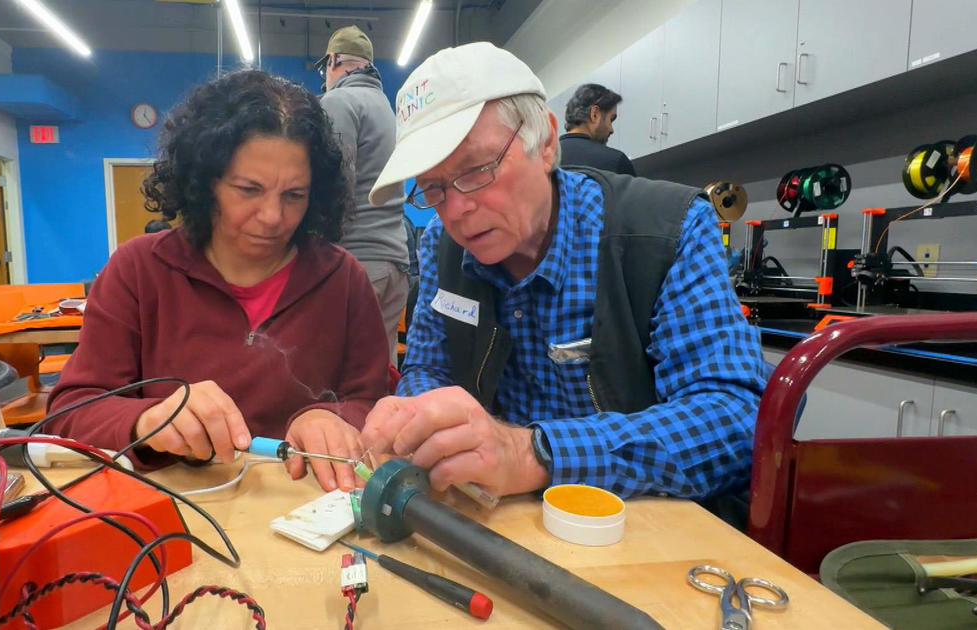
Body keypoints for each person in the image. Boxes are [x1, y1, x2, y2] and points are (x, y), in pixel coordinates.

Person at [360, 43, 765, 504]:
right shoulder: (440, 244)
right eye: (432, 187)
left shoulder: (667, 232)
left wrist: (533, 455)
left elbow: (734, 419)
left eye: (476, 169)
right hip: (501, 520)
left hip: (640, 524)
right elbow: (431, 366)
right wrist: (418, 417)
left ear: (547, 142)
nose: (456, 209)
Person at [45, 70, 391, 492]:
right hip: (169, 512)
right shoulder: (137, 270)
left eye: (294, 195)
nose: (272, 217)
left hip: (304, 512)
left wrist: (333, 416)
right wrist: (146, 421)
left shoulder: (343, 279)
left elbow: (374, 402)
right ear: (205, 181)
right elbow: (69, 411)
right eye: (248, 190)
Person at [317, 25, 409, 367]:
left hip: (356, 263)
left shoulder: (339, 100)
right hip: (394, 263)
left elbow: (335, 185)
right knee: (379, 373)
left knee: (336, 375)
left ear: (333, 61)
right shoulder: (386, 107)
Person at [559, 83, 636, 176]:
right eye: (611, 120)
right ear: (595, 114)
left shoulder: (543, 159)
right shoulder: (615, 162)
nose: (611, 130)